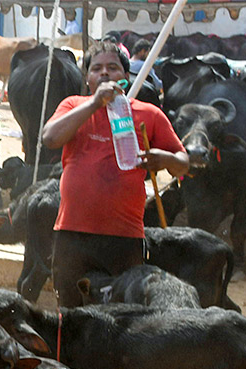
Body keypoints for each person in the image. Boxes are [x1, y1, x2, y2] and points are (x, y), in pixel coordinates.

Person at [40, 40, 189, 307]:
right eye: (96, 69)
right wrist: (95, 103)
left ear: (126, 76)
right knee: (70, 313)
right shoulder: (74, 105)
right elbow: (50, 137)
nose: (105, 73)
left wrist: (164, 159)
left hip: (124, 237)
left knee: (121, 317)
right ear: (87, 79)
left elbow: (183, 162)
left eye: (113, 67)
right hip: (73, 234)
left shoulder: (148, 114)